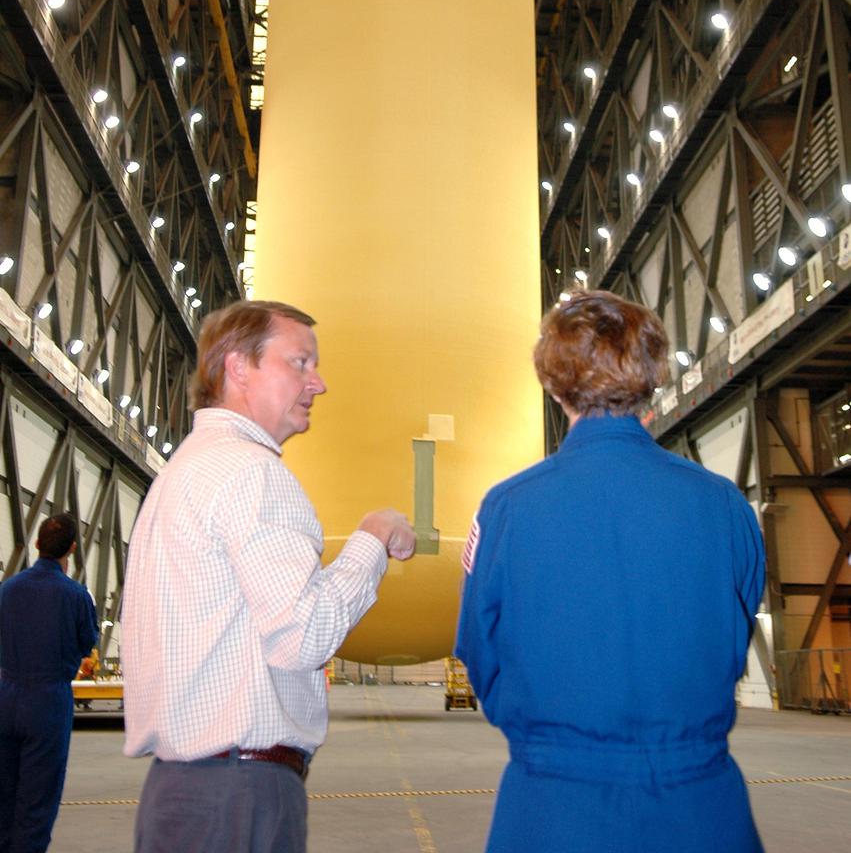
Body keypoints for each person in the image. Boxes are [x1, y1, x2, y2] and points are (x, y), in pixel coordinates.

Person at [456, 289, 765, 853]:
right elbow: (735, 632)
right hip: (698, 809)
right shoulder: (724, 506)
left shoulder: (506, 508)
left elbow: (480, 649)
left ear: (552, 383)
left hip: (552, 808)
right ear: (653, 378)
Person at [122, 299, 416, 853]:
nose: (318, 383)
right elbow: (305, 634)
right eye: (299, 363)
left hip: (184, 791)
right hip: (238, 793)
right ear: (238, 367)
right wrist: (371, 539)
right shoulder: (252, 473)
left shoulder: (186, 470)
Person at [0, 512, 99, 853]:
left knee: (4, 795)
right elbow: (87, 643)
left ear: (37, 544)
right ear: (71, 549)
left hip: (6, 696)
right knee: (37, 802)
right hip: (48, 703)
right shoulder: (76, 596)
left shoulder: (7, 590)